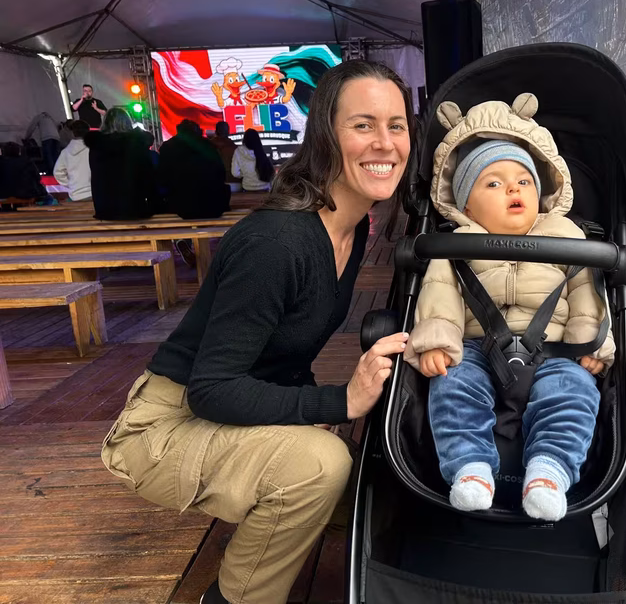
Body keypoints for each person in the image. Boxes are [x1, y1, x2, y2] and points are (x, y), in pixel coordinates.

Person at [101, 60, 414, 604]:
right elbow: (212, 388)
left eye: (397, 125)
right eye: (363, 125)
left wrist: (315, 408)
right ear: (325, 135)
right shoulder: (276, 243)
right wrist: (338, 402)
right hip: (164, 427)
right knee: (320, 466)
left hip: (231, 410)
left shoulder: (353, 228)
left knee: (375, 494)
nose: (384, 143)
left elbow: (282, 354)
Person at [404, 95, 616, 522]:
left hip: (556, 351)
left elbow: (585, 293)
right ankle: (470, 466)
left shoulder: (566, 235)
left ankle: (550, 471)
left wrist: (591, 344)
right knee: (451, 384)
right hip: (475, 348)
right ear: (465, 205)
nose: (514, 189)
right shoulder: (455, 243)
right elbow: (439, 298)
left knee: (574, 391)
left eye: (523, 181)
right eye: (493, 184)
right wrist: (436, 342)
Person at [85, 107, 156, 220]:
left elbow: (96, 176)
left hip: (106, 209)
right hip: (135, 207)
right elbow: (147, 175)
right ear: (128, 121)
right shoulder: (137, 143)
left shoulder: (97, 145)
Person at [158, 119, 231, 219]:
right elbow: (221, 173)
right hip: (212, 206)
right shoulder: (208, 145)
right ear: (197, 131)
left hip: (180, 207)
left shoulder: (167, 147)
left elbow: (162, 178)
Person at [52, 120, 92, 201]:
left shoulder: (65, 152)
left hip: (76, 195)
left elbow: (57, 172)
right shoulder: (93, 149)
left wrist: (70, 184)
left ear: (72, 133)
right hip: (93, 192)